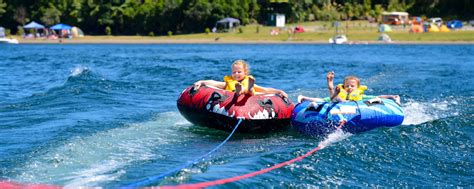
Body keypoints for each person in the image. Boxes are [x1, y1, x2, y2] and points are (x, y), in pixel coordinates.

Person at [193, 59, 288, 98]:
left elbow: (265, 89)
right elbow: (214, 83)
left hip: (249, 94)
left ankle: (246, 89)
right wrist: (201, 82)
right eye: (234, 72)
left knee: (257, 91)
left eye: (239, 72)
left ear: (245, 72)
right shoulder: (229, 82)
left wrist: (278, 91)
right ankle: (240, 90)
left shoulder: (248, 80)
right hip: (233, 93)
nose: (236, 74)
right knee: (229, 86)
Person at [298, 71, 400, 105]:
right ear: (343, 87)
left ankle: (394, 96)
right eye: (347, 86)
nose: (349, 88)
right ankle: (303, 97)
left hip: (354, 103)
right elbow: (321, 100)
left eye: (352, 86)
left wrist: (391, 97)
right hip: (339, 100)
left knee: (376, 97)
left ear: (357, 87)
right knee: (324, 100)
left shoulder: (361, 95)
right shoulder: (343, 92)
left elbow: (378, 96)